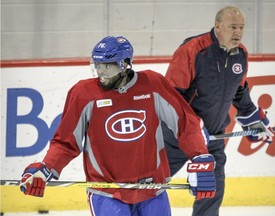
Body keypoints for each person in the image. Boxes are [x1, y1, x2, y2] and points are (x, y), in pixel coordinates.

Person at [19, 36, 217, 216]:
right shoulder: (83, 93)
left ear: (125, 65)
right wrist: (45, 168)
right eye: (97, 65)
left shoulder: (153, 84)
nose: (101, 72)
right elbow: (65, 143)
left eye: (108, 66)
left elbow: (186, 124)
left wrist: (200, 158)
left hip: (152, 190)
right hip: (107, 193)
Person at [162, 5, 274, 216]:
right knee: (149, 184)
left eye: (241, 27)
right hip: (177, 136)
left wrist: (254, 121)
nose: (238, 32)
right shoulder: (193, 50)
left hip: (213, 137)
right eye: (233, 27)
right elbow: (171, 97)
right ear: (218, 26)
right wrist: (194, 127)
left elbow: (238, 92)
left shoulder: (240, 54)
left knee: (211, 191)